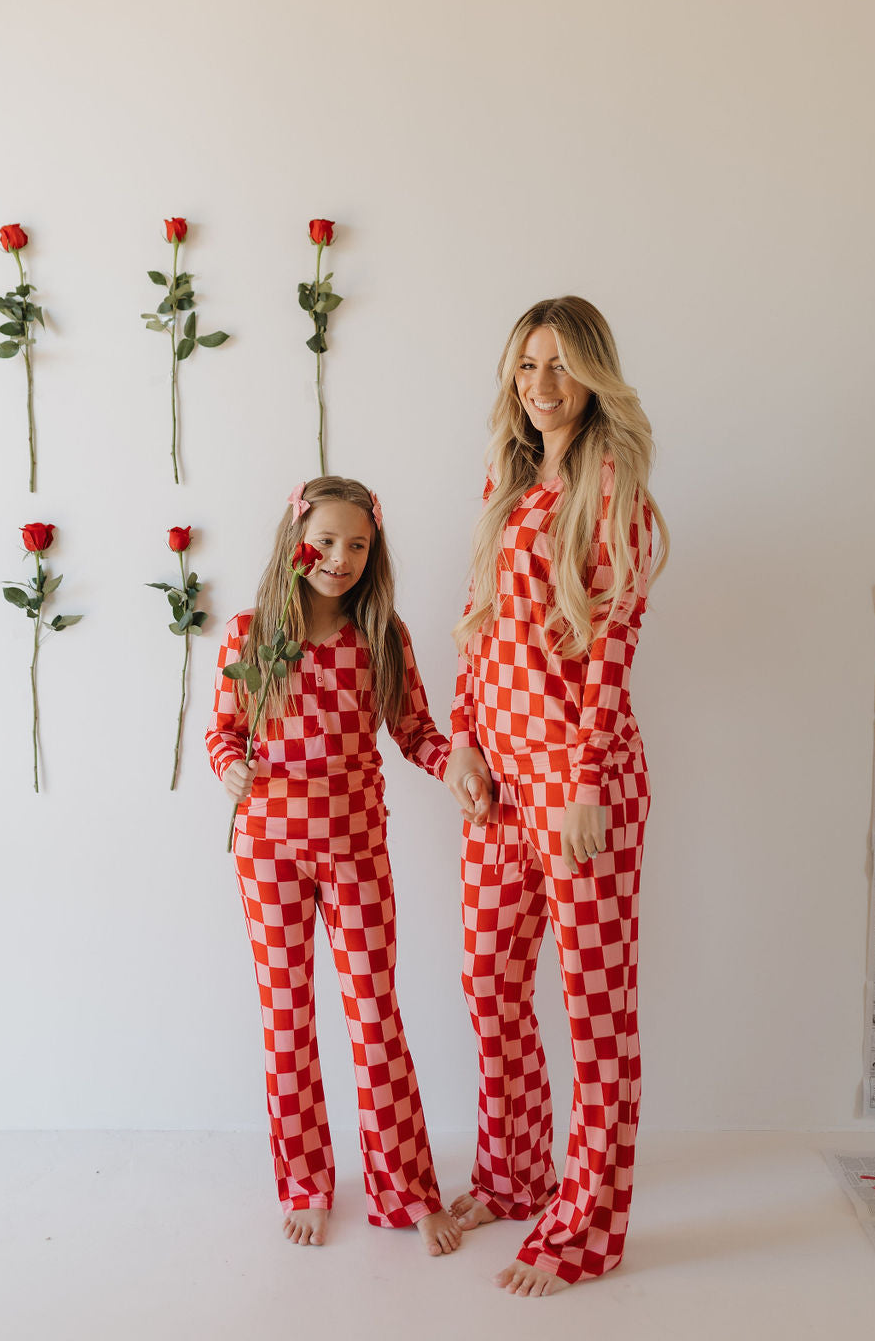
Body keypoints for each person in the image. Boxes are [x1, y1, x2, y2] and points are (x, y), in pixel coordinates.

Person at [444, 296, 668, 1296]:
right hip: (499, 787)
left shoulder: (610, 482)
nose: (539, 383)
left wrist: (582, 785)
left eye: (559, 365)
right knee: (488, 983)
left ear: (592, 375)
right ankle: (515, 1173)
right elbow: (477, 622)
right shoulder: (505, 478)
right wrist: (464, 741)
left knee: (593, 1011)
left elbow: (610, 646)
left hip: (583, 787)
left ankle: (587, 1226)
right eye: (525, 364)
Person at [207, 476, 462, 1257]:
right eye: (325, 541)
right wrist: (230, 770)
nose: (340, 557)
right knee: (288, 1022)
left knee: (374, 1020)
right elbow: (223, 732)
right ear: (295, 542)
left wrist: (459, 766)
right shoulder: (251, 635)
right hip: (267, 854)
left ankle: (406, 1187)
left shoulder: (382, 637)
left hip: (355, 855)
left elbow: (418, 731)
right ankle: (307, 1183)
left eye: (357, 544)